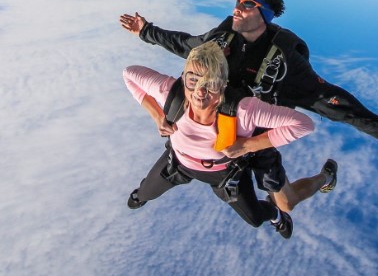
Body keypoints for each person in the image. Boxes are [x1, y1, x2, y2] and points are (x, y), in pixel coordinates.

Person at [120, 0, 378, 211]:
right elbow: (186, 44)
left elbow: (328, 98)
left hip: (257, 133)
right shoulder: (222, 38)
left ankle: (325, 178)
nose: (237, 9)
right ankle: (147, 192)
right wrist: (145, 31)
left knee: (285, 203)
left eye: (247, 5)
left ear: (265, 15)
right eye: (237, 2)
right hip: (212, 119)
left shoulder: (283, 60)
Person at [123, 41, 328, 239]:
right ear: (183, 76)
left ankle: (276, 216)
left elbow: (303, 124)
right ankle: (140, 196)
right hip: (177, 163)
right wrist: (157, 115)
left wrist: (248, 145)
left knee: (255, 218)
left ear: (223, 84)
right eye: (193, 80)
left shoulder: (243, 109)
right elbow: (129, 74)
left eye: (210, 84)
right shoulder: (170, 91)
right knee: (144, 193)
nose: (199, 93)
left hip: (225, 175)